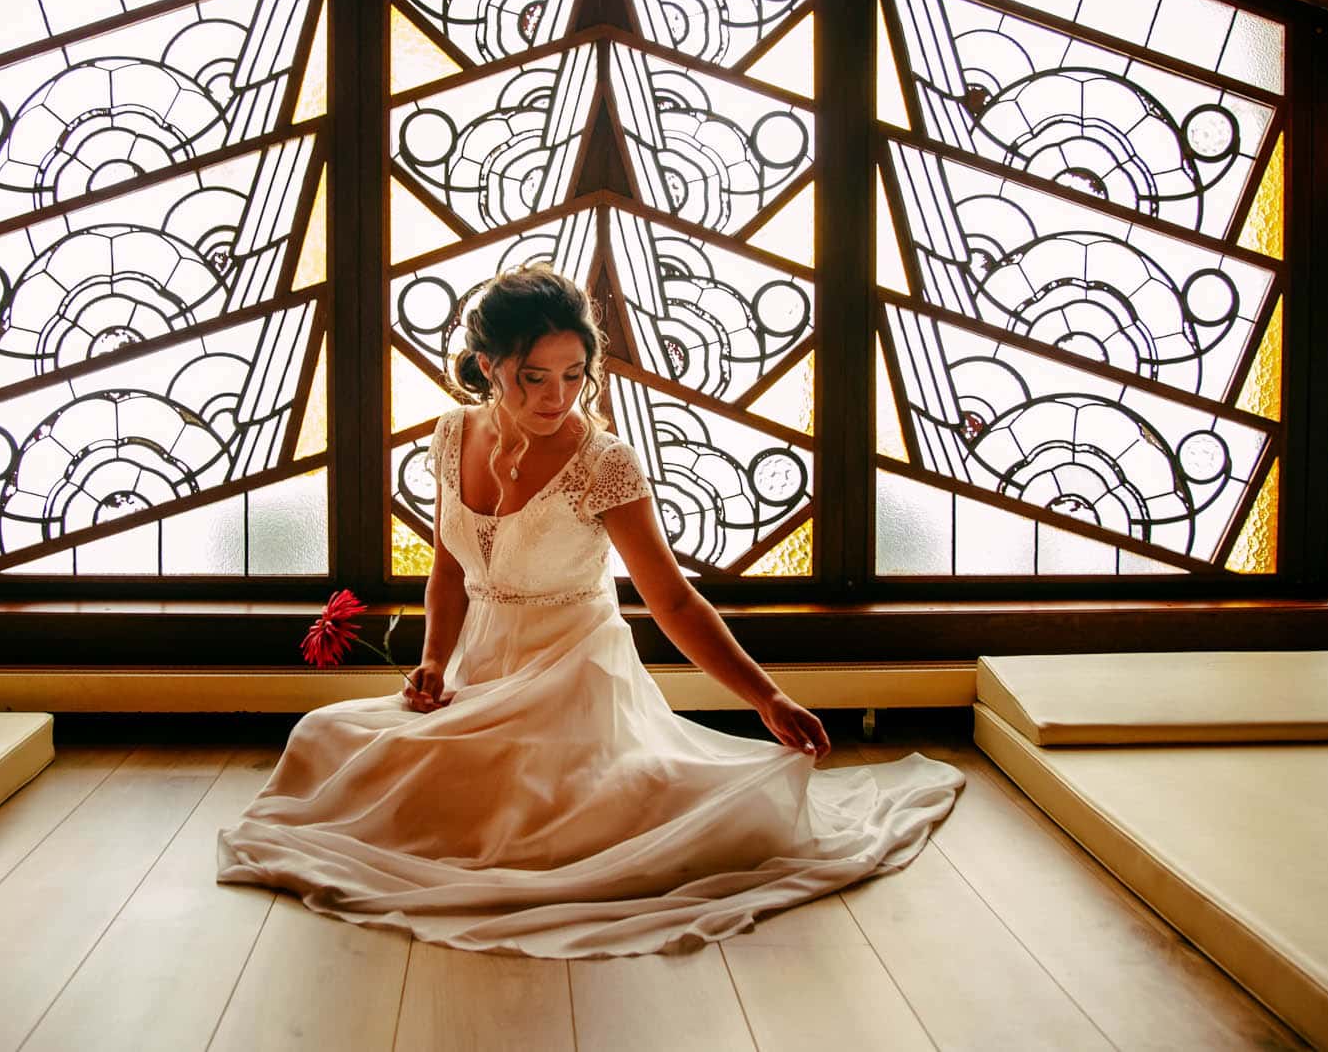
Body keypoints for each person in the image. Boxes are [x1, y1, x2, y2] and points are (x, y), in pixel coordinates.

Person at [216, 264, 963, 958]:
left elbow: (671, 598)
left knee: (530, 816)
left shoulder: (605, 462)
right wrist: (436, 660)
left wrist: (764, 694)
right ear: (486, 366)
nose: (555, 395)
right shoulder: (451, 435)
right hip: (476, 672)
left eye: (573, 374)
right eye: (532, 375)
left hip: (573, 680)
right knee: (323, 737)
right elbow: (447, 565)